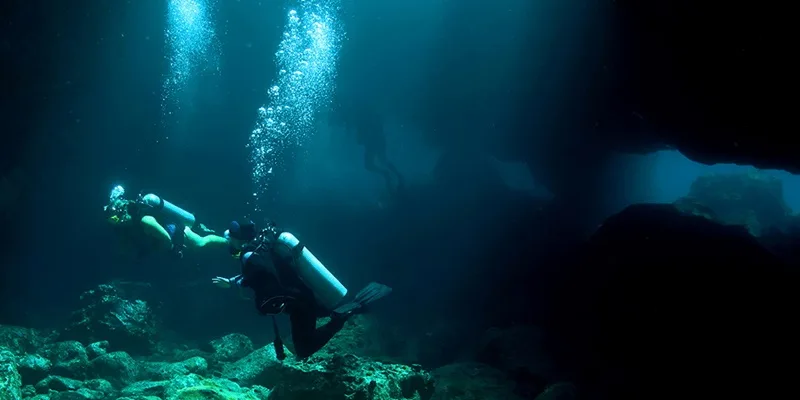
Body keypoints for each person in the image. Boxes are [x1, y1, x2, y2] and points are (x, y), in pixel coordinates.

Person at [212, 220, 392, 359]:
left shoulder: (250, 256)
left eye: (232, 236)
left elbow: (260, 278)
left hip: (298, 302)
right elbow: (260, 274)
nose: (229, 238)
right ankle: (356, 308)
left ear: (240, 238)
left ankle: (344, 316)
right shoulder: (264, 245)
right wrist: (233, 281)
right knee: (325, 311)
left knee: (304, 348)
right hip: (306, 293)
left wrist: (241, 285)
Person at [103, 185, 228, 258]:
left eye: (115, 219)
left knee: (201, 243)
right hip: (172, 232)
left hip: (179, 232)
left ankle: (229, 242)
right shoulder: (130, 225)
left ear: (121, 214)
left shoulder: (145, 220)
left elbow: (166, 237)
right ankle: (207, 230)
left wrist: (174, 248)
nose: (117, 223)